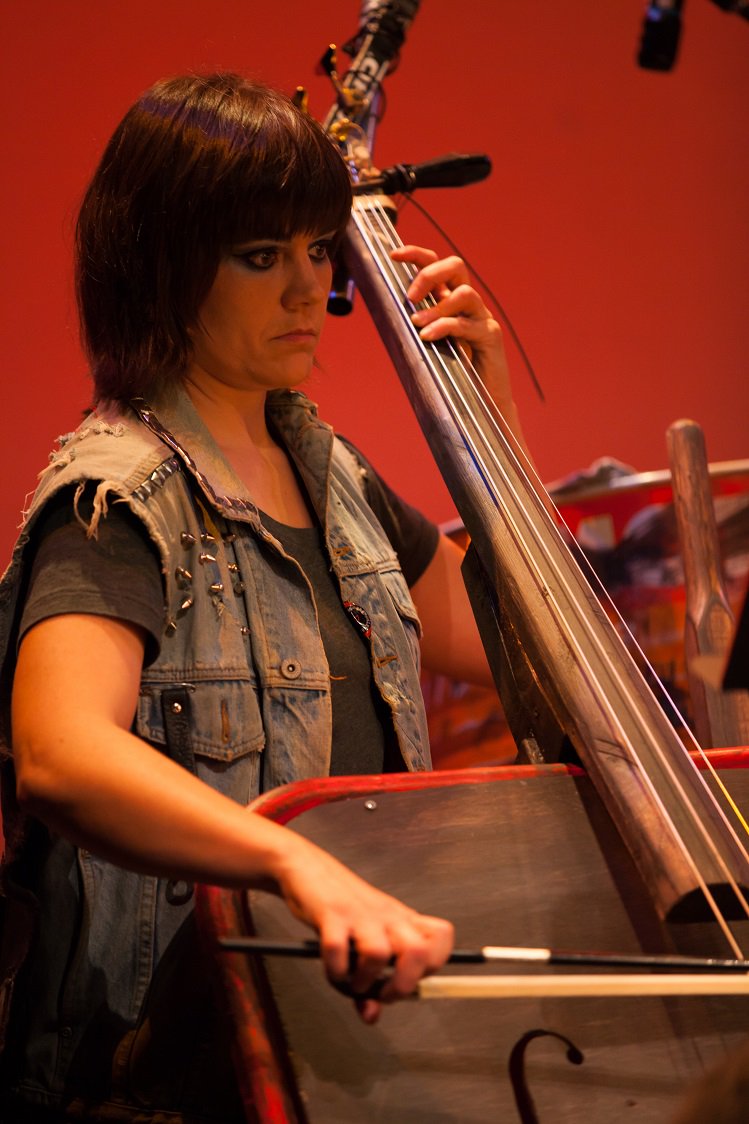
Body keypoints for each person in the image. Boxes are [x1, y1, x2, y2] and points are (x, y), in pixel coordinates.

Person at [0, 72, 524, 1122]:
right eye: (259, 255)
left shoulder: (328, 467)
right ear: (164, 268)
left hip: (321, 1046)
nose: (306, 288)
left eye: (315, 249)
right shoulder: (117, 494)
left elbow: (497, 647)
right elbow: (59, 750)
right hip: (168, 1074)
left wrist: (490, 421)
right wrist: (295, 859)